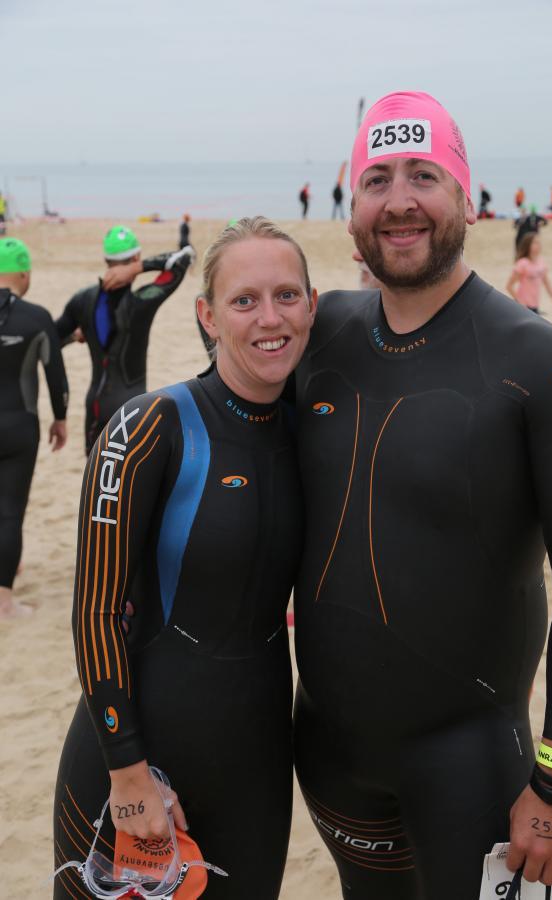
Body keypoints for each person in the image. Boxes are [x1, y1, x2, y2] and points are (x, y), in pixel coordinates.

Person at [292, 91, 552, 898]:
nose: (399, 201)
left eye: (423, 176)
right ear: (353, 205)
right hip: (326, 758)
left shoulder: (543, 366)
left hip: (473, 768)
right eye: (377, 179)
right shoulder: (321, 335)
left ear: (465, 196)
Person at [53, 216, 317, 899]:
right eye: (244, 300)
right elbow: (95, 610)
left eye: (288, 295)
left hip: (257, 758)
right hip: (134, 759)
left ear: (312, 307)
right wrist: (128, 771)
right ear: (206, 315)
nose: (270, 318)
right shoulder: (148, 429)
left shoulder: (317, 434)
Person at [55, 225, 194, 454]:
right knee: (134, 484)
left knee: (95, 482)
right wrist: (139, 268)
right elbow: (183, 257)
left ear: (106, 260)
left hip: (95, 407)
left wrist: (75, 336)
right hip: (133, 407)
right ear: (136, 257)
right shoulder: (141, 303)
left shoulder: (82, 300)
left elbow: (51, 340)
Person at [0, 238, 68, 619]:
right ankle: (4, 603)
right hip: (18, 427)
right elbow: (56, 376)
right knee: (9, 511)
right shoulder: (36, 317)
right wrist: (60, 417)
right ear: (23, 274)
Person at [507, 233, 552, 315]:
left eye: (539, 242)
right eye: (535, 242)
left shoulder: (541, 263)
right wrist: (520, 302)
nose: (538, 245)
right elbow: (509, 286)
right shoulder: (522, 263)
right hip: (523, 307)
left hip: (535, 306)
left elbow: (548, 286)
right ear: (528, 245)